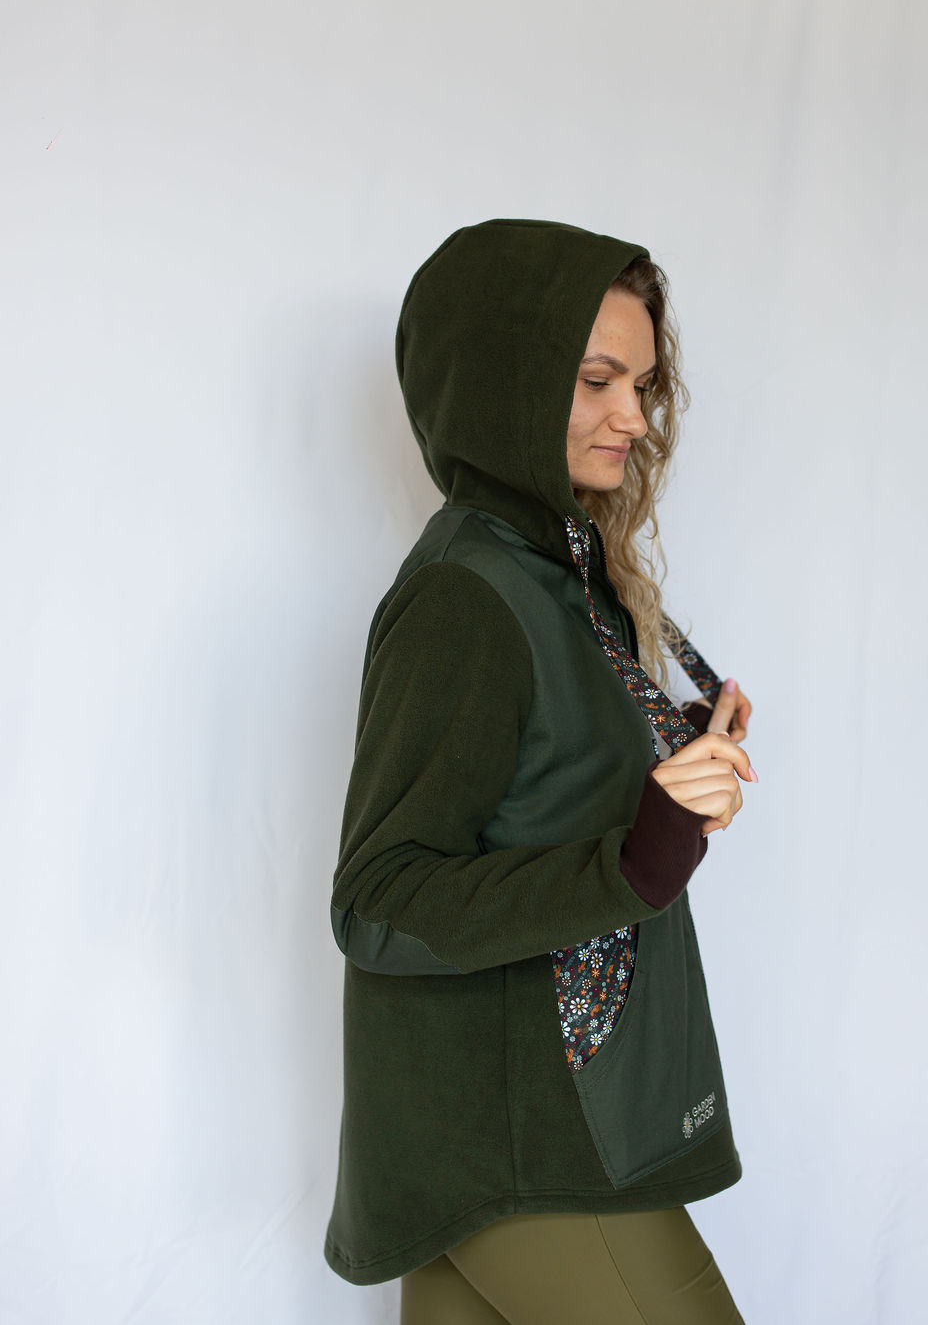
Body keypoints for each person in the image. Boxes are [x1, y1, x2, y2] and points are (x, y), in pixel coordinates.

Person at [323, 218, 756, 1324]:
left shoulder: (553, 570)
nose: (633, 417)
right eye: (596, 379)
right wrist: (636, 859)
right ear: (502, 383)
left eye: (641, 384)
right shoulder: (467, 596)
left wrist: (664, 738)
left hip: (510, 1121)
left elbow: (534, 782)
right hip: (523, 1137)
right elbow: (379, 902)